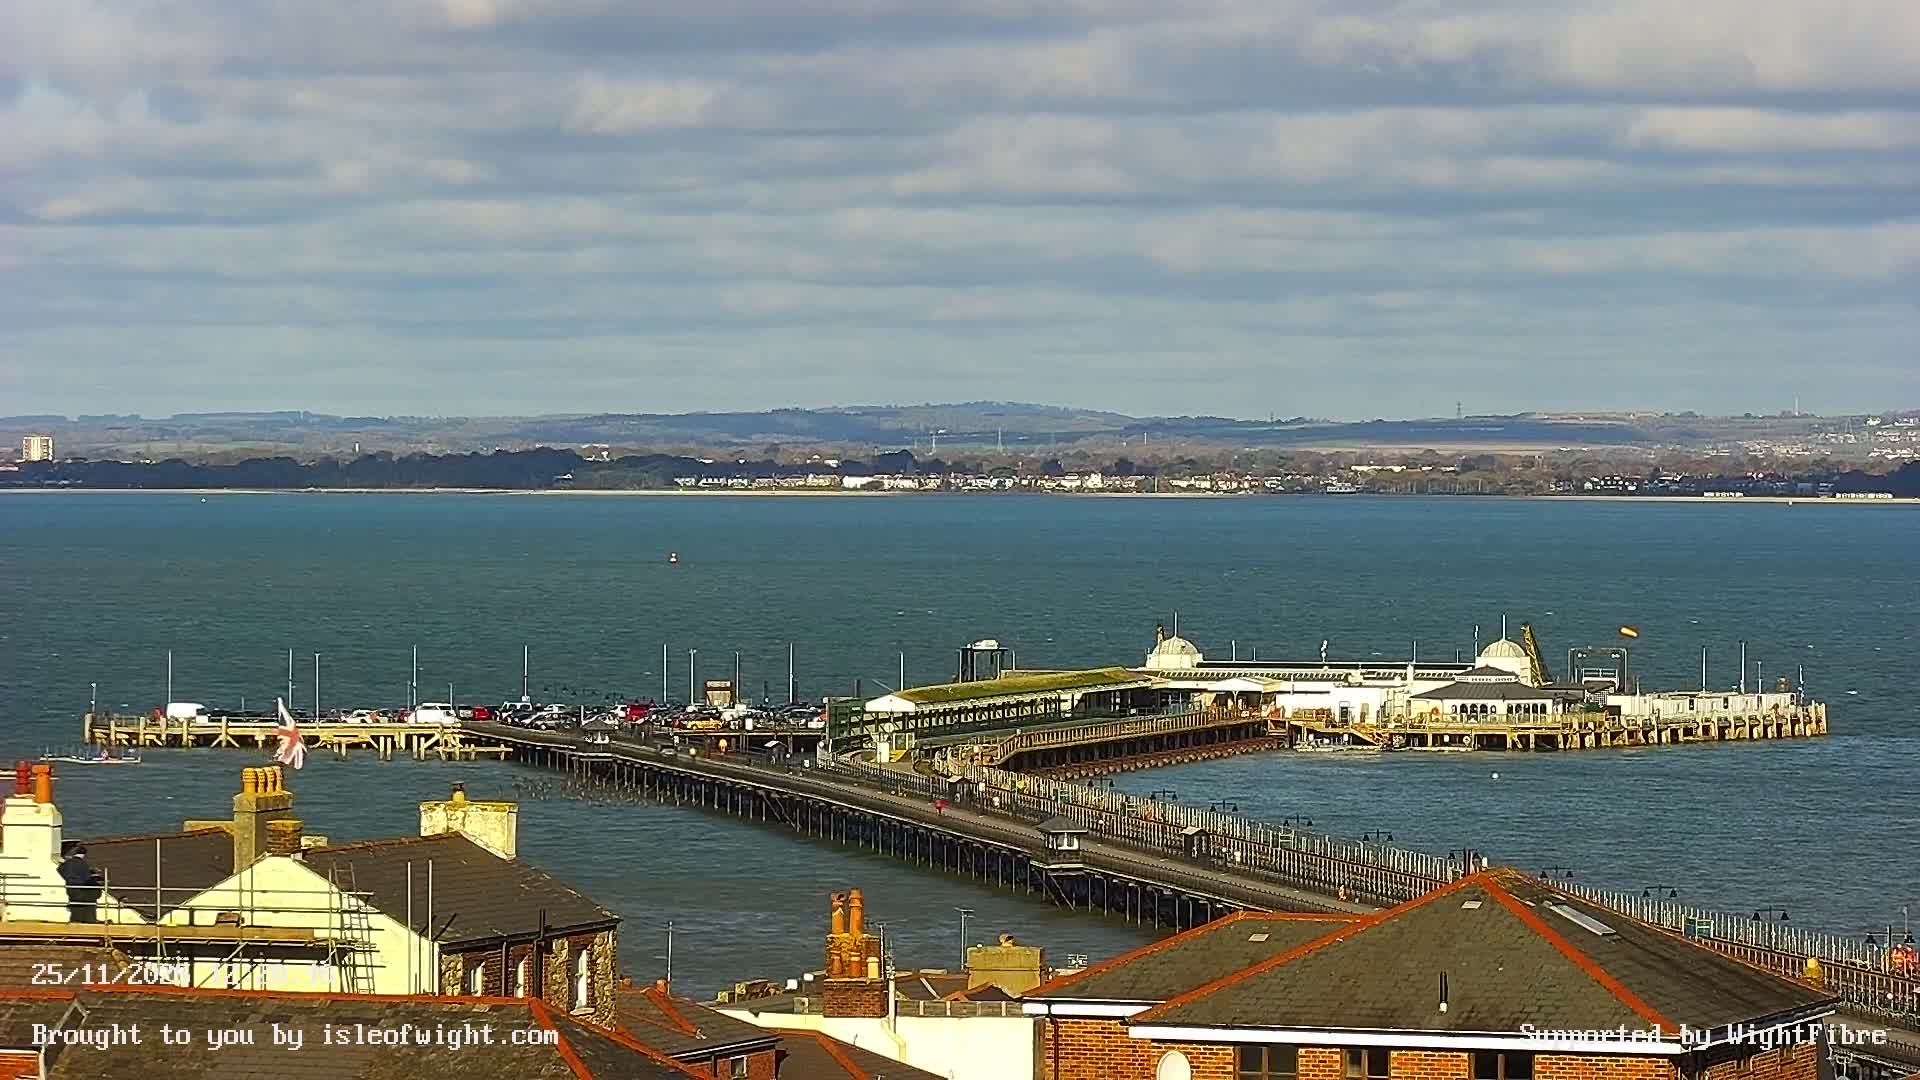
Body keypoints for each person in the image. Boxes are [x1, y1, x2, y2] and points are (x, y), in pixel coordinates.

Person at [58, 844, 103, 923]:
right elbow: (87, 877)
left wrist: (69, 878)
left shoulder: (67, 863)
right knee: (85, 906)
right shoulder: (82, 864)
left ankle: (75, 921)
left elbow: (60, 870)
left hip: (70, 887)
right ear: (83, 854)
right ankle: (88, 921)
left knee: (75, 906)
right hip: (81, 888)